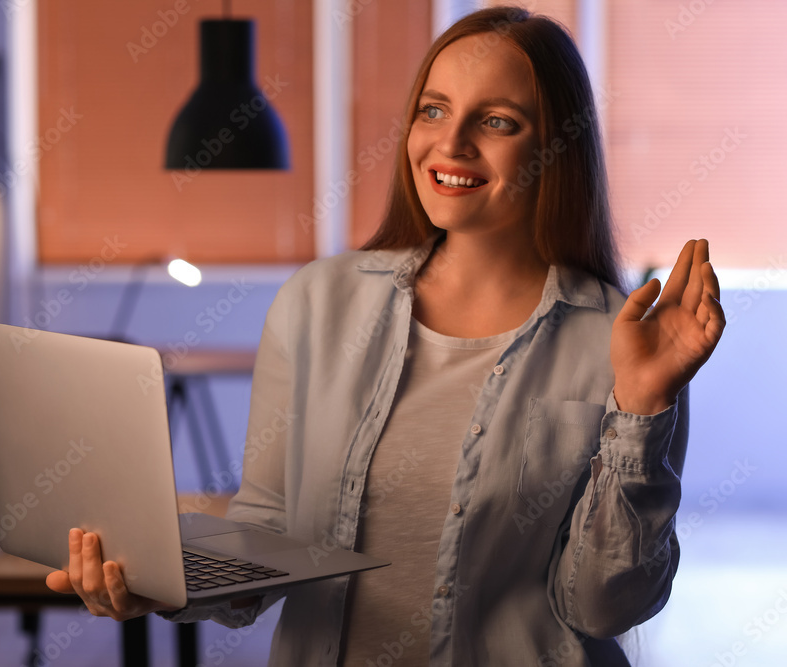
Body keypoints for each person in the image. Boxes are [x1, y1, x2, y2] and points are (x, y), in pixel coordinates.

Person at [46, 6, 725, 665]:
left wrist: (640, 408)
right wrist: (160, 580)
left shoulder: (624, 341)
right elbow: (268, 533)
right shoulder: (317, 302)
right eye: (433, 109)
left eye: (496, 121)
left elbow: (603, 607)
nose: (450, 143)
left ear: (556, 147)